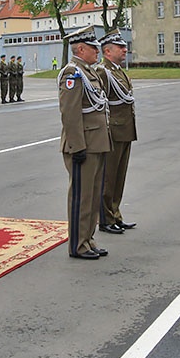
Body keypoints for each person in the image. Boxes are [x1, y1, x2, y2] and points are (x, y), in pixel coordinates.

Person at [59, 25, 111, 260]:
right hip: (83, 145)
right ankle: (77, 245)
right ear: (80, 48)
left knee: (92, 195)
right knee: (81, 196)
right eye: (93, 48)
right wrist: (77, 146)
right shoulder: (73, 73)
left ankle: (88, 239)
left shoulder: (88, 72)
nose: (97, 52)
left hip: (97, 142)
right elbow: (70, 114)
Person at [95, 30, 137, 234]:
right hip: (112, 131)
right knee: (108, 178)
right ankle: (105, 219)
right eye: (120, 47)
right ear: (107, 51)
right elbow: (100, 103)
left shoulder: (118, 70)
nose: (125, 49)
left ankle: (115, 214)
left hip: (125, 130)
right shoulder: (103, 71)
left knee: (119, 177)